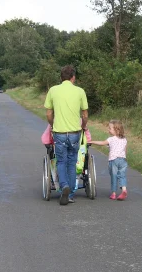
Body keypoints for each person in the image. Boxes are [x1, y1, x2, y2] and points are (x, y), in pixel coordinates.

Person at [44, 65, 88, 205]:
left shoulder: (53, 90)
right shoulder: (80, 91)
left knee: (61, 161)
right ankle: (70, 194)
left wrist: (52, 125)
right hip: (75, 132)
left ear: (61, 77)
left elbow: (49, 113)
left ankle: (64, 186)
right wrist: (82, 126)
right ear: (73, 77)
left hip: (60, 132)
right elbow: (85, 114)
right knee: (71, 162)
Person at [89, 120, 128, 201]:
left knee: (114, 176)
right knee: (122, 175)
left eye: (110, 128)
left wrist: (92, 141)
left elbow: (102, 143)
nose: (108, 130)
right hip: (123, 160)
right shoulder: (124, 139)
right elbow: (125, 150)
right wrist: (124, 158)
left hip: (113, 160)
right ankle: (124, 190)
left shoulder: (111, 139)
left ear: (116, 130)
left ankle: (114, 193)